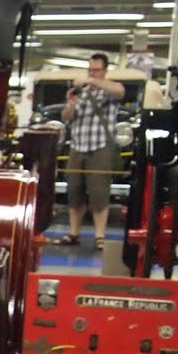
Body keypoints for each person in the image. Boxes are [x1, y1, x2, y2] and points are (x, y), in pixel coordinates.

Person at [59, 51, 125, 250]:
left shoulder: (110, 91)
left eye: (96, 70)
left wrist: (90, 80)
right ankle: (74, 233)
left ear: (104, 71)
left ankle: (100, 236)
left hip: (100, 147)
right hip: (78, 147)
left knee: (99, 193)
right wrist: (70, 105)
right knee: (74, 192)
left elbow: (120, 91)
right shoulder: (82, 93)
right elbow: (66, 117)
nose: (93, 74)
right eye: (90, 70)